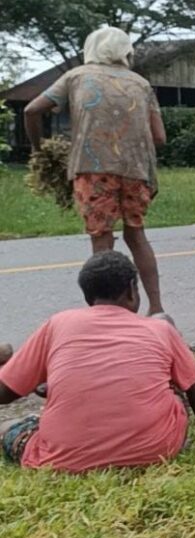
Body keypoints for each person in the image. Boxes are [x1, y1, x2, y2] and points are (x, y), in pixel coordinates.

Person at [0, 251, 195, 472]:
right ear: (132, 290)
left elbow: (4, 394)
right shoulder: (162, 329)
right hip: (155, 451)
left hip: (62, 460)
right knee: (173, 393)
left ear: (87, 298)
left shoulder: (58, 324)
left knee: (9, 428)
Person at [24, 27, 169, 319]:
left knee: (102, 239)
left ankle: (104, 315)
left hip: (93, 170)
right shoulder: (141, 84)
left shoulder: (77, 76)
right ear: (125, 50)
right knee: (136, 235)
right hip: (136, 170)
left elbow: (31, 110)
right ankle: (156, 308)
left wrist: (39, 149)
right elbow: (160, 137)